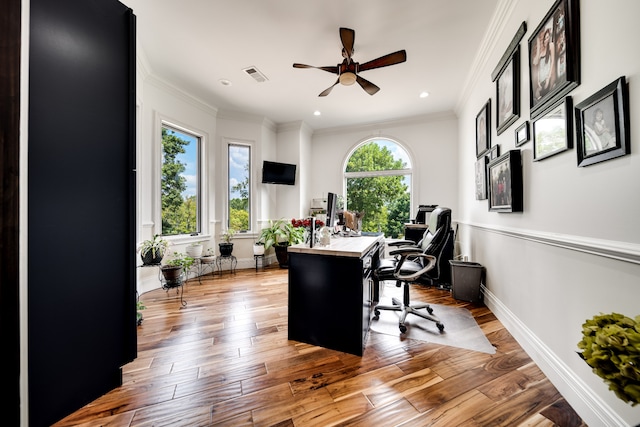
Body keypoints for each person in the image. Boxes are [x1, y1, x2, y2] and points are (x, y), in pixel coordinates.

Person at [533, 28, 556, 101]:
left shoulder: (551, 46)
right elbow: (539, 68)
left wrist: (548, 77)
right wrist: (538, 81)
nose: (546, 40)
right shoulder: (541, 52)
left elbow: (552, 61)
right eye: (545, 38)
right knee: (538, 98)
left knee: (547, 97)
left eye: (547, 38)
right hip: (541, 79)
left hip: (547, 77)